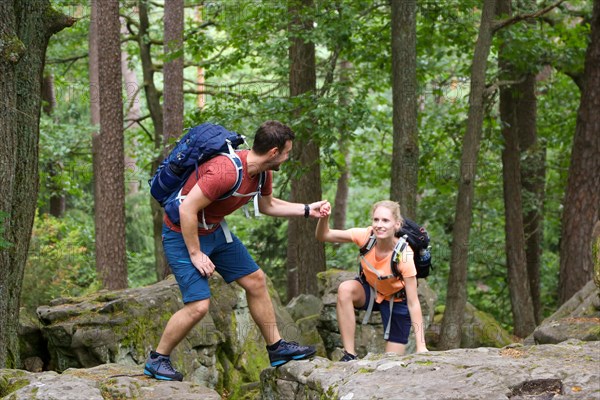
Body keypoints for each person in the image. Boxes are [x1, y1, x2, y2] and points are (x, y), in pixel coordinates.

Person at [144, 121, 327, 381]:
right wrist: (195, 253)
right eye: (287, 153)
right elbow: (186, 209)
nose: (287, 157)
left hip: (216, 231)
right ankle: (157, 359)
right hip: (181, 234)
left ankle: (277, 348)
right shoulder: (225, 172)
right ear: (274, 152)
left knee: (255, 280)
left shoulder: (263, 172)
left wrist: (308, 209)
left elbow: (268, 206)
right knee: (198, 306)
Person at [316, 200, 428, 361]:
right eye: (376, 220)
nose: (379, 225)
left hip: (397, 300)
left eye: (385, 220)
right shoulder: (366, 236)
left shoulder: (405, 255)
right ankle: (350, 354)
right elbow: (323, 235)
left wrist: (421, 346)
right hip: (371, 291)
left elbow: (413, 303)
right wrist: (324, 218)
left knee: (391, 360)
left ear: (396, 225)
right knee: (345, 289)